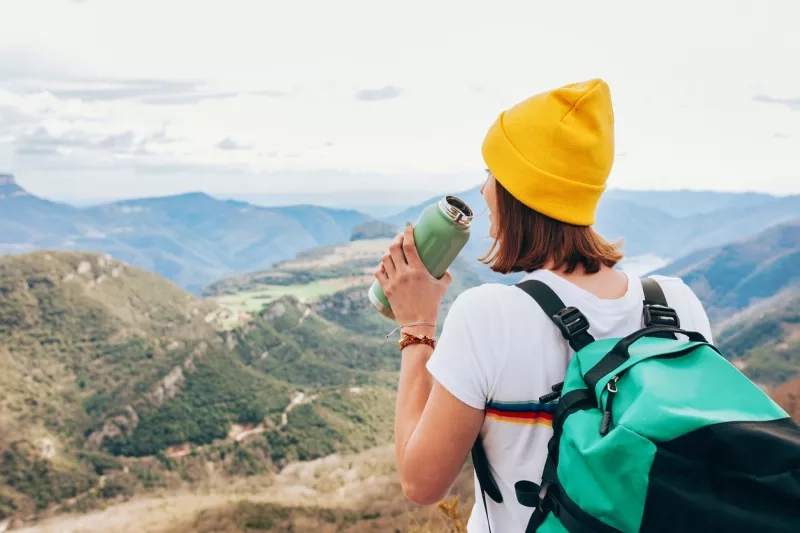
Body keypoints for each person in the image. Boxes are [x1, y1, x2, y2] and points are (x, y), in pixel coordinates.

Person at [373, 78, 714, 532]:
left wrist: (416, 327)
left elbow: (420, 482)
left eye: (492, 174)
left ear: (520, 191)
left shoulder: (487, 315)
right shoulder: (677, 305)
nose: (483, 190)